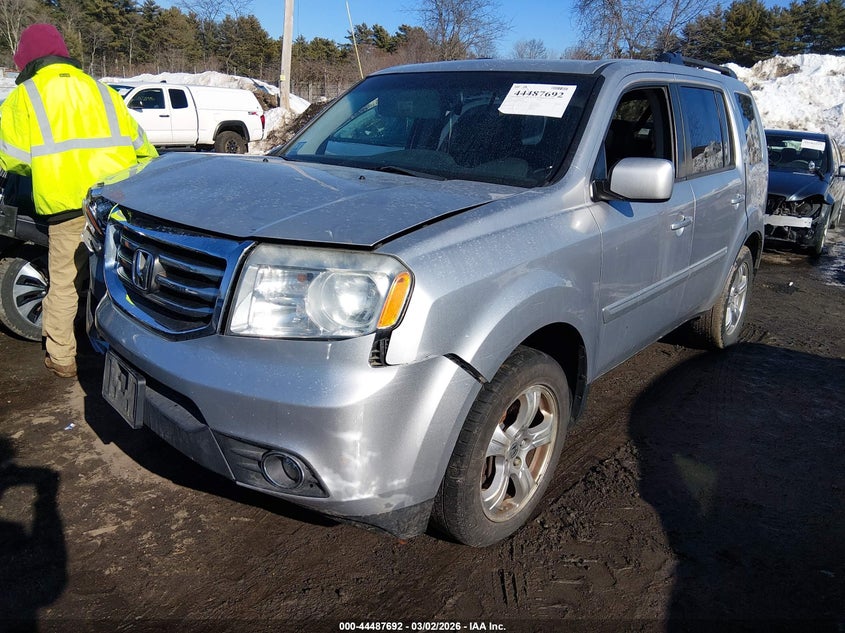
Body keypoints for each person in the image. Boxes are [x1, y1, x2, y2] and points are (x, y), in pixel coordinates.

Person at [0, 23, 158, 378]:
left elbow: (11, 157)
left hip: (67, 206)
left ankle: (62, 358)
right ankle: (124, 350)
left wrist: (48, 166)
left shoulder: (25, 96)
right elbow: (143, 151)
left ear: (27, 59)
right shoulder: (102, 90)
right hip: (116, 205)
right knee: (117, 279)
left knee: (64, 282)